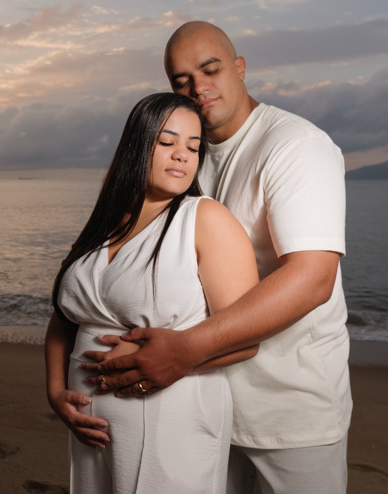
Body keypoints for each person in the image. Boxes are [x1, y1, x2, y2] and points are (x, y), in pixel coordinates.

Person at [80, 22, 351, 494]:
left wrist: (184, 351)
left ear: (240, 68)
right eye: (181, 81)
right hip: (200, 401)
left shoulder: (296, 146)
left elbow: (312, 279)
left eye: (210, 69)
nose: (197, 88)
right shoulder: (187, 155)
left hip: (289, 410)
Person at [45, 92, 260, 493]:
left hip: (172, 419)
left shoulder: (206, 218)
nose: (182, 155)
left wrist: (163, 361)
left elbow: (247, 339)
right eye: (167, 142)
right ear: (137, 145)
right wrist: (55, 390)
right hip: (89, 426)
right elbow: (65, 317)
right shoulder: (106, 222)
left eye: (194, 147)